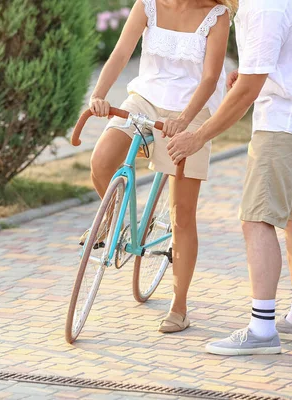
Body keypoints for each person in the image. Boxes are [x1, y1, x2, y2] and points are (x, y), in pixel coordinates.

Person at [166, 0, 292, 355]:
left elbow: (245, 94)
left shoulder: (262, 7)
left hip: (282, 125)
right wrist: (252, 72)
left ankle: (262, 328)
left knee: (256, 220)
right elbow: (277, 57)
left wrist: (198, 136)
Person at [83, 0, 234, 333]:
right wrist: (99, 95)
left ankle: (179, 307)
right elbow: (121, 54)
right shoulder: (147, 4)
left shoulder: (217, 16)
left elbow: (210, 78)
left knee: (182, 213)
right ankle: (120, 221)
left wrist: (184, 120)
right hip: (144, 99)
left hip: (191, 111)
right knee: (102, 160)